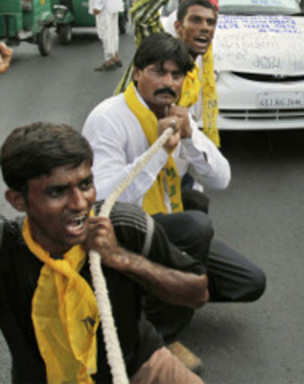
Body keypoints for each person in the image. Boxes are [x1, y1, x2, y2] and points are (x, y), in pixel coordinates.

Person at [83, 33, 266, 371]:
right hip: (126, 228)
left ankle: (158, 291)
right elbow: (107, 199)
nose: (168, 82)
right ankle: (159, 336)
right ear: (137, 73)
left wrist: (190, 138)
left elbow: (221, 179)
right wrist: (160, 151)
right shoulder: (109, 118)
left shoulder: (178, 114)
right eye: (158, 72)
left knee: (250, 282)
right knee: (195, 226)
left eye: (176, 75)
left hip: (165, 224)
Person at [0, 122, 208, 383]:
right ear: (18, 201)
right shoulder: (7, 251)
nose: (79, 203)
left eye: (85, 184)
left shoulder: (125, 226)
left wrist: (123, 259)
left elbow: (198, 292)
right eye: (57, 191)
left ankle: (169, 343)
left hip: (139, 367)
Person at [117, 0, 230, 149]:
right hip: (136, 146)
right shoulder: (162, 45)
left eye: (210, 22)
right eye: (196, 20)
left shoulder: (203, 59)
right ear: (177, 26)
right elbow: (141, 13)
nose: (204, 28)